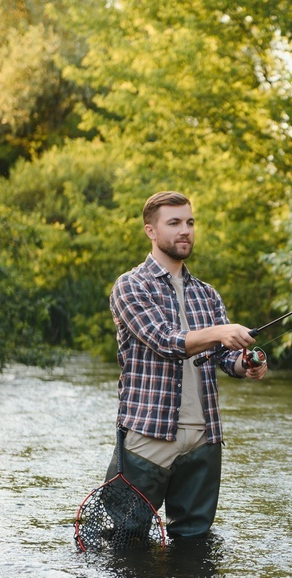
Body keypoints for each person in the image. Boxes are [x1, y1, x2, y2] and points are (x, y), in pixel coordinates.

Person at [106, 190, 267, 539]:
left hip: (203, 438)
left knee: (195, 546)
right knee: (125, 544)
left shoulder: (207, 294)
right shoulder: (130, 286)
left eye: (190, 223)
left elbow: (224, 359)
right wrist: (221, 332)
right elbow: (165, 341)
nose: (185, 231)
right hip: (148, 436)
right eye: (174, 223)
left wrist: (245, 363)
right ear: (151, 230)